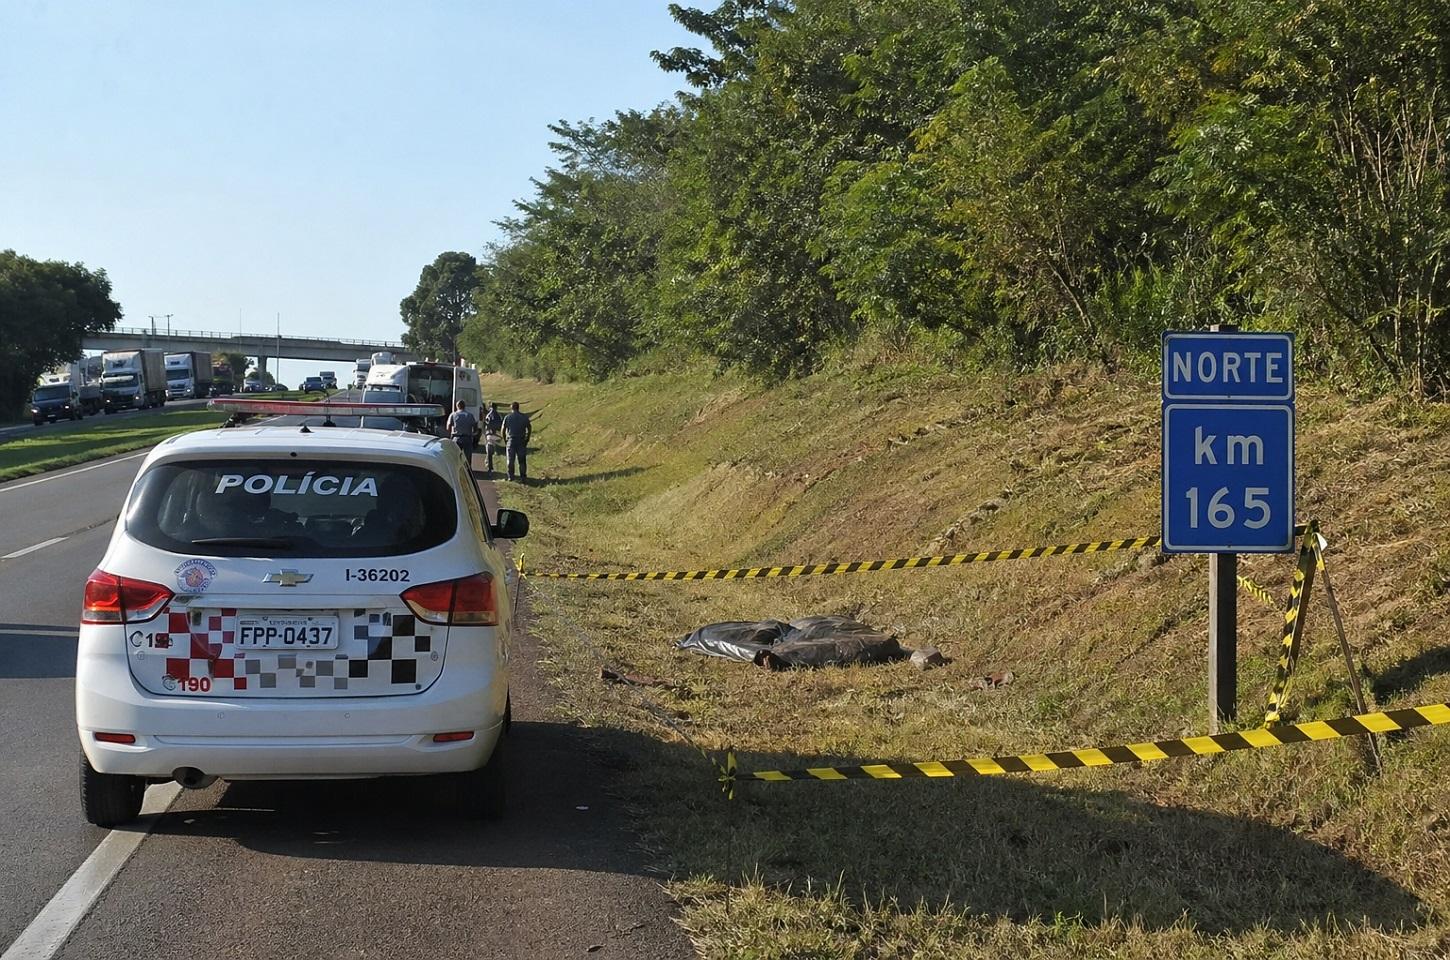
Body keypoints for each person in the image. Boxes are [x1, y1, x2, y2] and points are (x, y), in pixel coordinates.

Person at [503, 401, 532, 482]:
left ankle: (511, 476)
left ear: (511, 408)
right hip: (521, 440)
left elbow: (503, 429)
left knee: (510, 460)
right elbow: (529, 428)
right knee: (522, 460)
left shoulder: (507, 417)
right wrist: (527, 438)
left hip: (511, 440)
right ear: (518, 408)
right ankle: (523, 476)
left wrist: (505, 439)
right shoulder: (524, 417)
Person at [446, 400, 478, 466]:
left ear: (457, 406)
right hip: (467, 438)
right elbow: (475, 426)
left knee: (455, 456)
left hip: (456, 437)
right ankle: (468, 471)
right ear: (464, 406)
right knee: (468, 457)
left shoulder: (453, 415)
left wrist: (451, 433)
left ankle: (456, 469)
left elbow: (448, 426)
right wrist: (473, 433)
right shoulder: (470, 415)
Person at [481, 402, 504, 478]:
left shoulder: (488, 415)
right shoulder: (499, 415)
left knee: (489, 450)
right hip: (497, 435)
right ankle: (488, 462)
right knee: (491, 450)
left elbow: (486, 424)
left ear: (490, 407)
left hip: (489, 434)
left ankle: (489, 466)